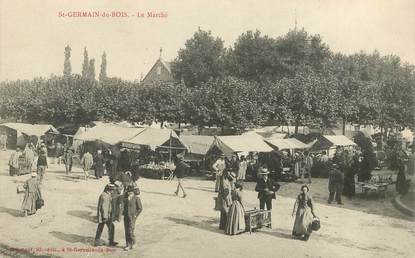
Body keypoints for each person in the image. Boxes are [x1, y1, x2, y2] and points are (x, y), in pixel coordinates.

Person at [123, 185, 143, 251]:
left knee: (130, 230)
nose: (129, 193)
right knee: (126, 231)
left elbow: (140, 208)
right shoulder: (125, 198)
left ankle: (133, 242)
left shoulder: (136, 198)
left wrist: (135, 215)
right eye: (128, 192)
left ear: (133, 192)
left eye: (130, 192)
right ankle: (128, 244)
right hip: (126, 217)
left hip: (132, 217)